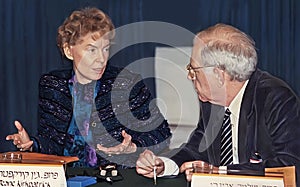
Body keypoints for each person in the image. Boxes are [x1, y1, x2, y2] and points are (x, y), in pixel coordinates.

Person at [6, 7, 171, 168]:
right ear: (69, 51)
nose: (101, 59)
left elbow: (162, 134)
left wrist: (133, 147)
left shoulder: (126, 83)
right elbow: (53, 143)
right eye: (92, 50)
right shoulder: (52, 85)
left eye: (105, 49)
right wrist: (32, 144)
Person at [136, 23, 300, 184]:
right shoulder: (213, 100)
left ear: (219, 76)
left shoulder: (275, 98)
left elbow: (291, 166)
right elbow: (198, 148)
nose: (189, 77)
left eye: (193, 70)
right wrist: (164, 165)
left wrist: (220, 173)